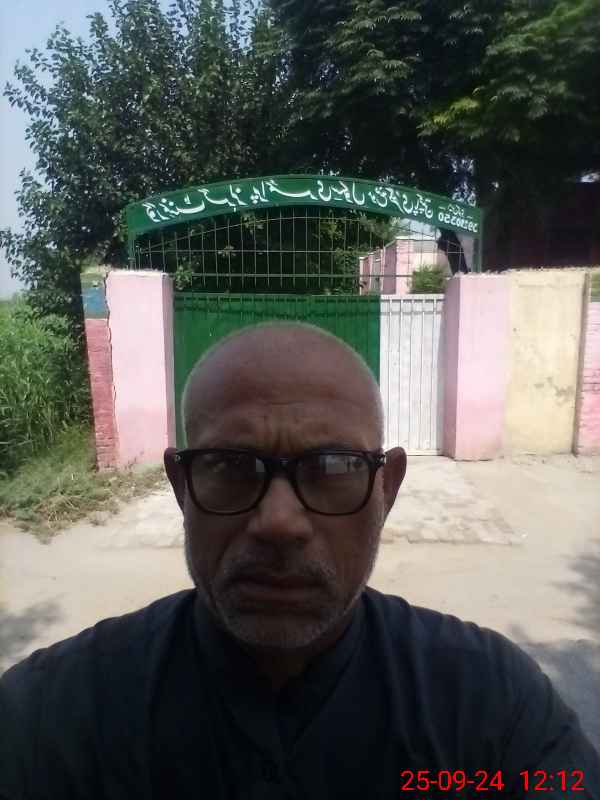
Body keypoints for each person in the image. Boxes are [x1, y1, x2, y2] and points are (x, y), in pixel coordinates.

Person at [1, 321, 599, 800]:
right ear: (182, 488)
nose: (279, 523)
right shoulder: (51, 717)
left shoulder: (491, 707)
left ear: (386, 490)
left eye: (333, 466)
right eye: (231, 466)